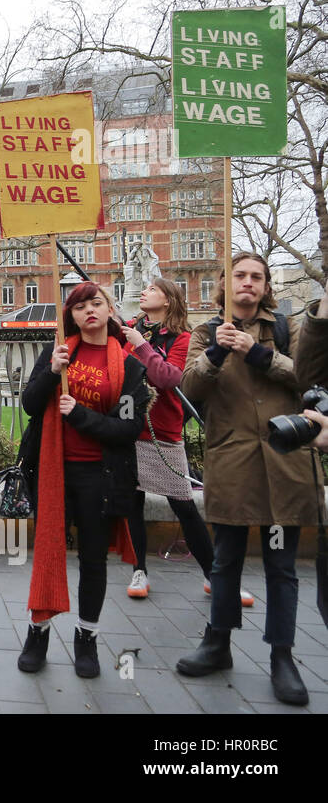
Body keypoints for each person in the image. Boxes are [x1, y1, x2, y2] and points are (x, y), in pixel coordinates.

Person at [176, 253, 324, 705]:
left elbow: (309, 377)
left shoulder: (286, 328)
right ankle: (217, 642)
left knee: (281, 567)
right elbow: (186, 391)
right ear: (225, 283)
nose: (247, 283)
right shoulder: (204, 333)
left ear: (265, 285)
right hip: (234, 467)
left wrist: (259, 354)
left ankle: (282, 655)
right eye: (239, 275)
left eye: (256, 276)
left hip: (286, 468)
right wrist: (217, 352)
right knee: (226, 561)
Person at [18, 282, 149, 679]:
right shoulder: (56, 351)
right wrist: (52, 372)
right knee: (48, 550)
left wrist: (79, 415)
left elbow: (127, 429)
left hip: (101, 477)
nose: (89, 311)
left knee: (93, 559)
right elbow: (29, 405)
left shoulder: (129, 367)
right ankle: (37, 632)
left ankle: (86, 637)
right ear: (70, 315)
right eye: (80, 306)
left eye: (97, 303)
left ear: (110, 310)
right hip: (54, 471)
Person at [121, 279, 252, 605]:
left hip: (163, 434)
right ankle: (139, 570)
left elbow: (169, 378)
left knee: (184, 507)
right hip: (128, 431)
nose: (144, 292)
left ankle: (215, 577)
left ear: (168, 301)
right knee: (130, 504)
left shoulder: (182, 338)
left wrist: (140, 345)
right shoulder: (132, 330)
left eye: (152, 289)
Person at [297, 293, 328, 389]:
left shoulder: (285, 325)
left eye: (256, 277)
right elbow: (308, 384)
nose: (249, 283)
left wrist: (262, 355)